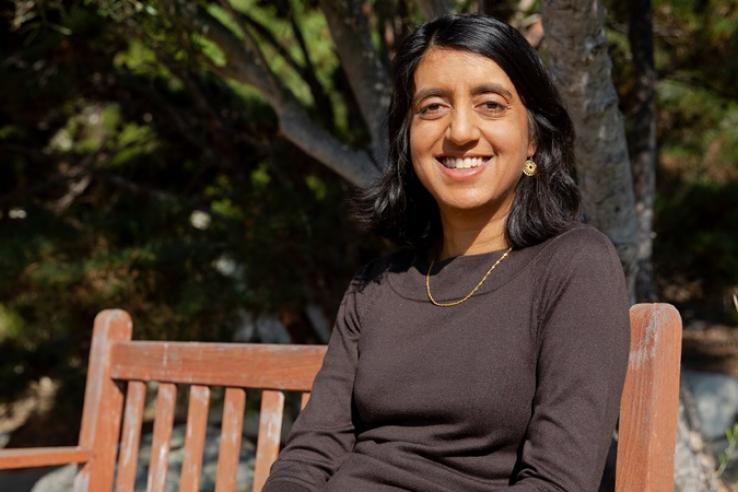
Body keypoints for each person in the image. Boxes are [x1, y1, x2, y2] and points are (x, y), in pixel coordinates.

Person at [263, 13, 629, 492]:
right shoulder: (376, 286)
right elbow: (311, 453)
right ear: (407, 137)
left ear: (533, 135)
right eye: (432, 107)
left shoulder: (573, 266)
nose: (459, 131)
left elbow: (555, 482)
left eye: (491, 105)